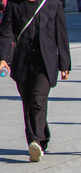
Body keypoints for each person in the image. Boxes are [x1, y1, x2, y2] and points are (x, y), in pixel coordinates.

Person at [0, 0, 71, 162]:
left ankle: (35, 142)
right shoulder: (15, 4)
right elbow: (6, 32)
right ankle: (42, 135)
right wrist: (3, 58)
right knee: (28, 103)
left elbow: (61, 34)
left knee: (38, 100)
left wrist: (65, 64)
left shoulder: (53, 4)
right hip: (22, 61)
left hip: (46, 62)